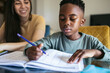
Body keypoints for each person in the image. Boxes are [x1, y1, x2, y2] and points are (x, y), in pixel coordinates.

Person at [24, 0, 110, 65]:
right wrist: (29, 51)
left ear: (82, 22)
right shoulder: (54, 38)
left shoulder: (91, 41)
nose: (66, 23)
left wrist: (95, 52)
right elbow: (31, 45)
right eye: (62, 18)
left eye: (72, 19)